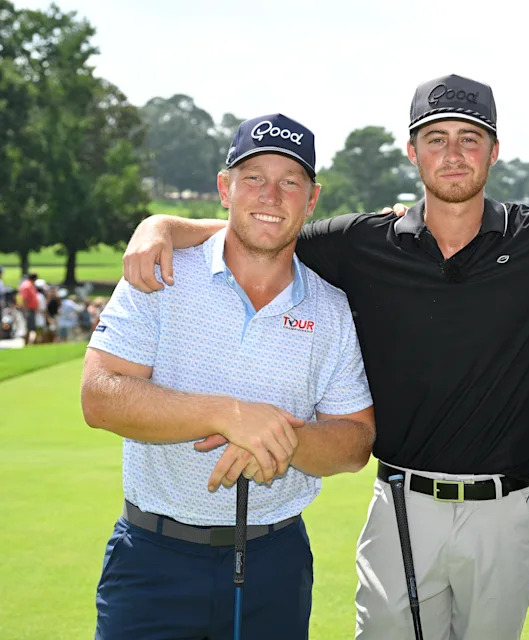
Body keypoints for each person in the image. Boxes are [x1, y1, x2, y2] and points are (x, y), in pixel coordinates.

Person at [121, 75, 529, 640]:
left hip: (505, 511)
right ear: (413, 152)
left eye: (469, 138)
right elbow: (262, 227)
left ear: (493, 151)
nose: (452, 154)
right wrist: (163, 227)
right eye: (436, 139)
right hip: (400, 502)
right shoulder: (360, 242)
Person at [80, 113, 376, 640]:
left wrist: (281, 439)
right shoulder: (162, 270)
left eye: (290, 182)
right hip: (153, 559)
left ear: (311, 201)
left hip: (275, 563)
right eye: (254, 178)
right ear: (225, 188)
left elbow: (355, 444)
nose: (271, 194)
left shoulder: (331, 307)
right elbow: (100, 396)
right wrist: (229, 416)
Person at [17, 273, 39, 345]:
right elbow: (25, 299)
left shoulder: (29, 285)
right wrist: (26, 310)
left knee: (30, 328)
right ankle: (28, 343)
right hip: (28, 309)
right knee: (30, 328)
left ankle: (29, 343)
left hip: (30, 309)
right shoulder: (27, 286)